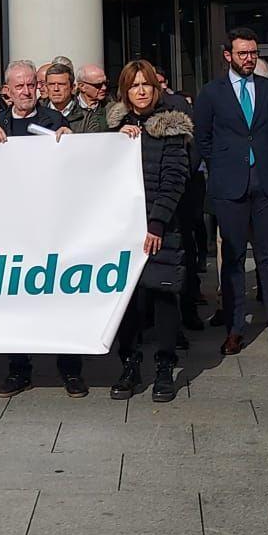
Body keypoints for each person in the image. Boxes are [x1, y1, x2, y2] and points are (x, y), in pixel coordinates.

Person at [193, 27, 268, 356]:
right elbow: (203, 138)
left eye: (253, 53)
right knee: (233, 260)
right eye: (243, 53)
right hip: (230, 185)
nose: (249, 59)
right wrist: (224, 165)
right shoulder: (211, 92)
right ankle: (234, 329)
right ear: (228, 56)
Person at [0, 61, 79, 397]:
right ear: (8, 91)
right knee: (16, 301)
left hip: (51, 225)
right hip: (13, 229)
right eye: (19, 87)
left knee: (59, 297)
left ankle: (70, 369)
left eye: (31, 85)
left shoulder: (54, 121)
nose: (26, 92)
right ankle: (19, 369)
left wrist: (70, 141)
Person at [105, 60, 192, 401]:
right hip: (122, 229)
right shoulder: (114, 129)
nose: (140, 91)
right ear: (124, 92)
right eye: (134, 86)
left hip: (159, 227)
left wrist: (156, 223)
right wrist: (117, 141)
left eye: (146, 85)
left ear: (156, 90)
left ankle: (164, 367)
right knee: (127, 302)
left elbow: (175, 179)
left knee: (162, 295)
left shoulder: (171, 128)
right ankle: (129, 365)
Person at [44, 62, 107, 133]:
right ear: (46, 87)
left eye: (61, 84)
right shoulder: (36, 114)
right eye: (51, 84)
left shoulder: (88, 117)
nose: (56, 89)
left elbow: (93, 142)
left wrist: (73, 137)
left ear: (72, 88)